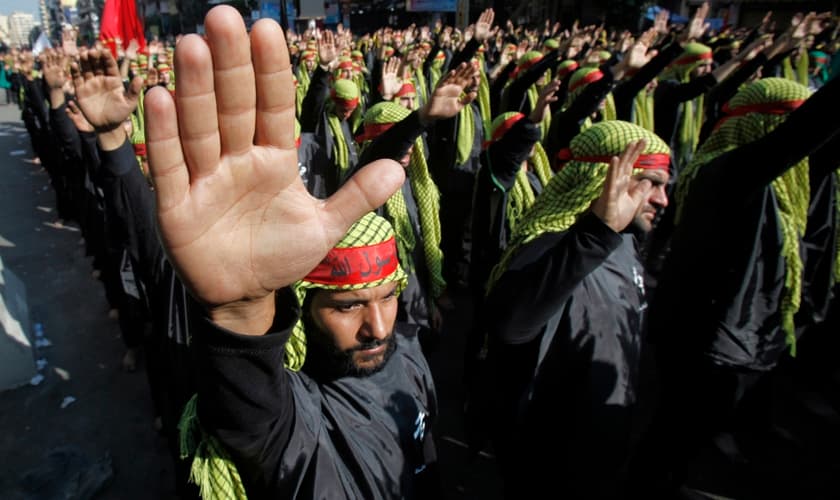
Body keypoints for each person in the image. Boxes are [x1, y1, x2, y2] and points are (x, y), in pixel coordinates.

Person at [142, 6, 435, 497]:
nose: (378, 327)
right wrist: (241, 310)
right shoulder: (295, 412)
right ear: (304, 306)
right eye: (347, 306)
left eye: (388, 297)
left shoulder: (410, 356)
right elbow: (255, 419)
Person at [633, 75, 840, 498]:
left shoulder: (779, 187)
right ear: (764, 126)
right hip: (700, 336)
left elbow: (821, 143)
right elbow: (808, 132)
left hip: (735, 329)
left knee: (696, 427)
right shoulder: (728, 172)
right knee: (672, 431)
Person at [481, 120, 671, 499]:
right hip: (550, 461)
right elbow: (510, 325)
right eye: (649, 182)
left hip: (604, 443)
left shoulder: (627, 243)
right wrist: (596, 233)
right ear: (605, 178)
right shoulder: (550, 247)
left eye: (665, 185)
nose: (662, 199)